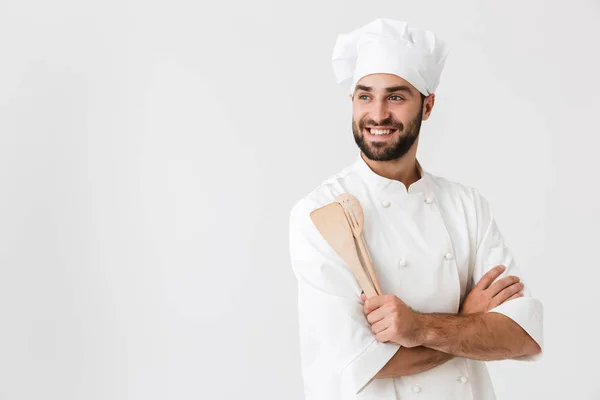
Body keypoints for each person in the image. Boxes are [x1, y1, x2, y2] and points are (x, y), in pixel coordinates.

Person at [287, 18, 543, 400]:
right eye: (364, 95)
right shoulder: (321, 213)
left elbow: (522, 337)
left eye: (395, 96)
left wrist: (420, 328)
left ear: (427, 106)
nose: (377, 115)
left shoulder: (467, 206)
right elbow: (359, 363)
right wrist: (470, 323)